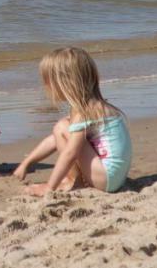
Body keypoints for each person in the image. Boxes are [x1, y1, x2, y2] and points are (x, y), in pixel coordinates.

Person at [15, 47, 133, 195]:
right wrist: (27, 163)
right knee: (63, 128)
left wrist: (49, 187)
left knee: (61, 127)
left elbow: (70, 152)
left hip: (106, 178)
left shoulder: (84, 112)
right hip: (115, 177)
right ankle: (71, 179)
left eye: (47, 81)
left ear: (65, 82)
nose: (45, 87)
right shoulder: (95, 106)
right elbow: (54, 140)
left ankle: (72, 180)